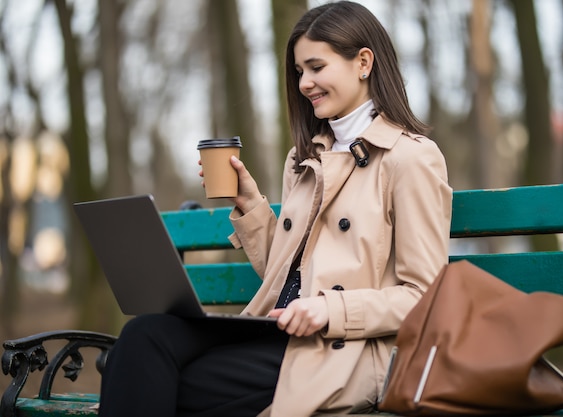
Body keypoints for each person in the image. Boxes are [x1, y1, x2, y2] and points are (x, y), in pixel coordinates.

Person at [98, 1, 452, 416]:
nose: (304, 83)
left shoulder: (410, 158)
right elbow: (286, 274)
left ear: (363, 62)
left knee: (157, 380)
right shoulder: (304, 158)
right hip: (273, 328)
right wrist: (252, 209)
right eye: (300, 71)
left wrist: (328, 309)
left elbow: (423, 297)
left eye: (316, 67)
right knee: (144, 335)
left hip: (339, 349)